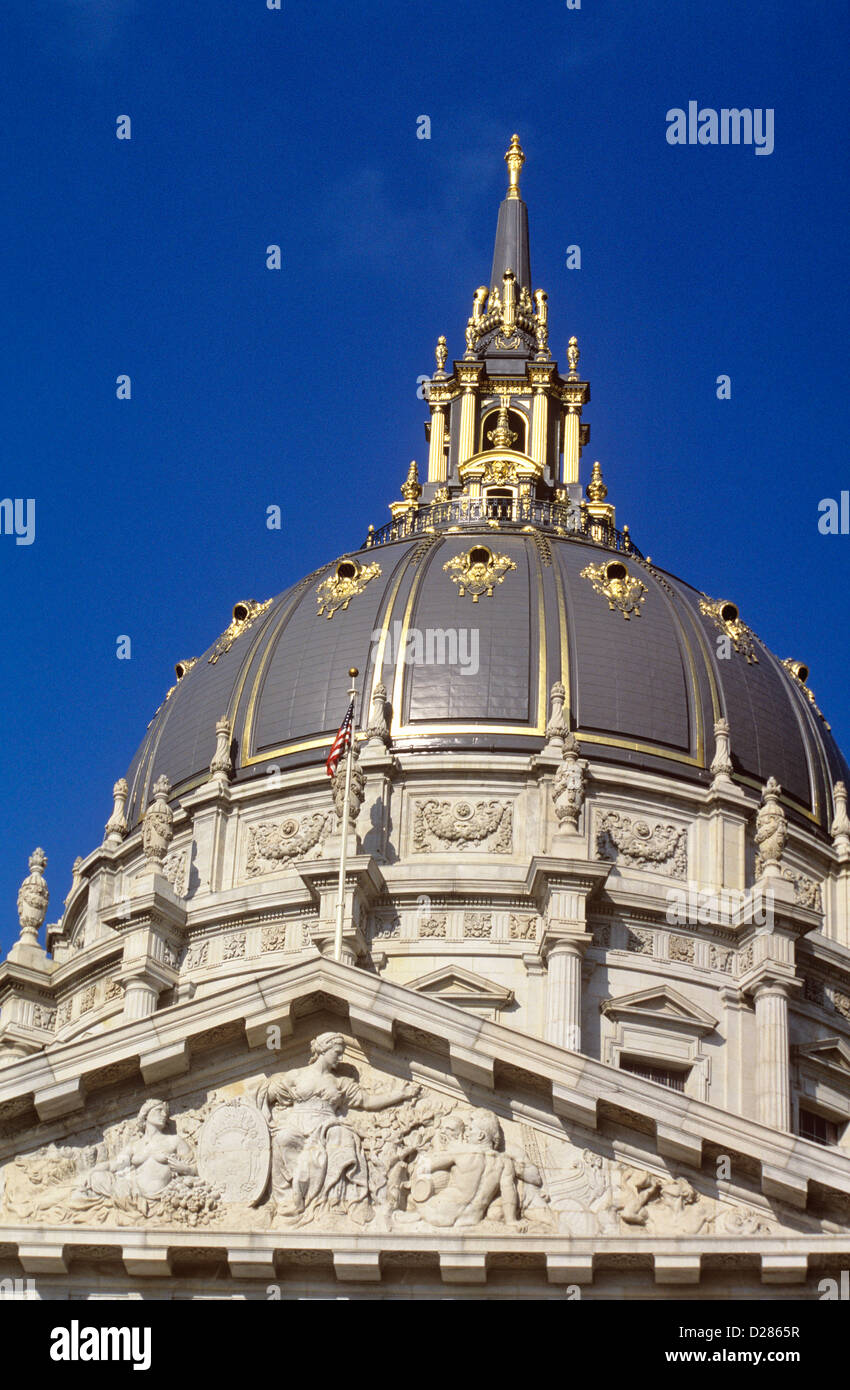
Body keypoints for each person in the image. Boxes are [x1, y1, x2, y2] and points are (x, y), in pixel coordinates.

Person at [257, 1032, 418, 1222]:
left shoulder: (341, 1083)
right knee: (283, 1138)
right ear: (323, 1050)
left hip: (326, 1123)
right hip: (297, 1122)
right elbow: (267, 1095)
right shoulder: (296, 1076)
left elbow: (368, 1101)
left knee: (342, 1135)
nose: (340, 1058)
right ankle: (288, 1200)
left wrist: (400, 1094)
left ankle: (334, 1201)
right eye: (337, 1052)